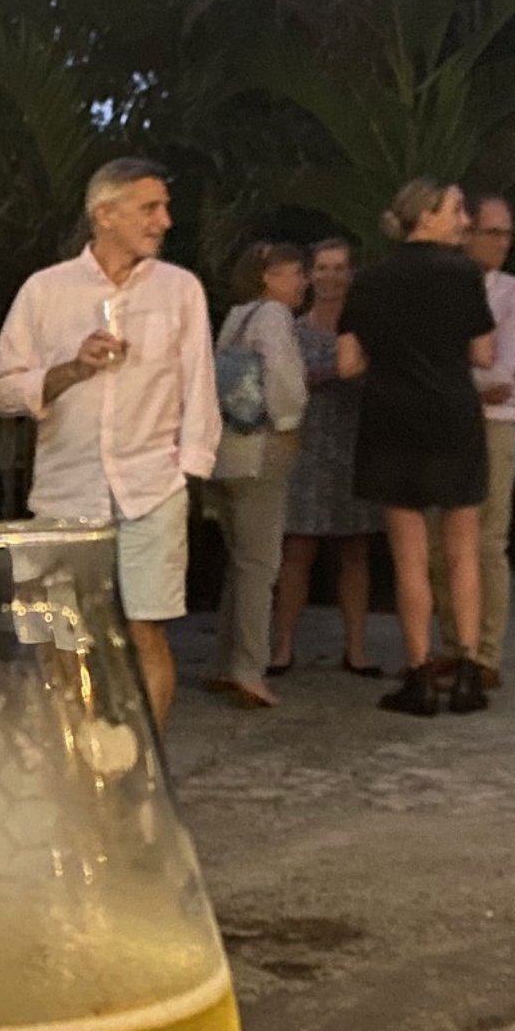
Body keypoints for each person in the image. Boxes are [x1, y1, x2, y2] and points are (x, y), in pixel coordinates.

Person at [0, 158, 220, 726]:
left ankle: (144, 774)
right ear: (105, 214)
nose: (164, 221)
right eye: (150, 208)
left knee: (146, 630)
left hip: (152, 487)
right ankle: (75, 766)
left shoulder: (179, 289)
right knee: (59, 636)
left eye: (164, 208)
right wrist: (71, 369)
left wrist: (186, 470)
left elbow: (200, 385)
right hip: (66, 490)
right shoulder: (47, 291)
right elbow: (0, 392)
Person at [337, 178, 495, 720]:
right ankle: (469, 671)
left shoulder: (371, 280)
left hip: (392, 421)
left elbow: (348, 364)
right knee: (462, 550)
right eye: (456, 209)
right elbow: (483, 353)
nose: (464, 220)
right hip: (453, 417)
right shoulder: (464, 274)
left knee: (409, 558)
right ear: (425, 216)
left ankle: (420, 670)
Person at [432, 192, 515, 690]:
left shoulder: (513, 294)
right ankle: (455, 644)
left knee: (488, 540)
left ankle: (487, 650)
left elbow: (500, 376)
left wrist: (441, 376)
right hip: (444, 424)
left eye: (507, 233)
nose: (502, 243)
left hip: (491, 424)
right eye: (492, 232)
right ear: (467, 233)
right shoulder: (444, 287)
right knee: (436, 540)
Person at [205, 241, 310, 709]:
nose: (301, 282)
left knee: (240, 559)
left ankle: (227, 661)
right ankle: (249, 667)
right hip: (260, 450)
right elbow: (283, 382)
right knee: (260, 563)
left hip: (225, 451)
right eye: (294, 273)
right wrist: (291, 423)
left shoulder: (236, 317)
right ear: (270, 277)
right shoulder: (273, 318)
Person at [272, 237, 383, 677]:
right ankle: (282, 647)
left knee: (356, 551)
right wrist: (335, 373)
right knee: (297, 549)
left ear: (352, 274)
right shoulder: (292, 331)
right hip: (306, 448)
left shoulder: (367, 331)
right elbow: (285, 384)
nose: (331, 277)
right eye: (322, 267)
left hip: (355, 446)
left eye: (340, 268)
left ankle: (356, 650)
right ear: (310, 274)